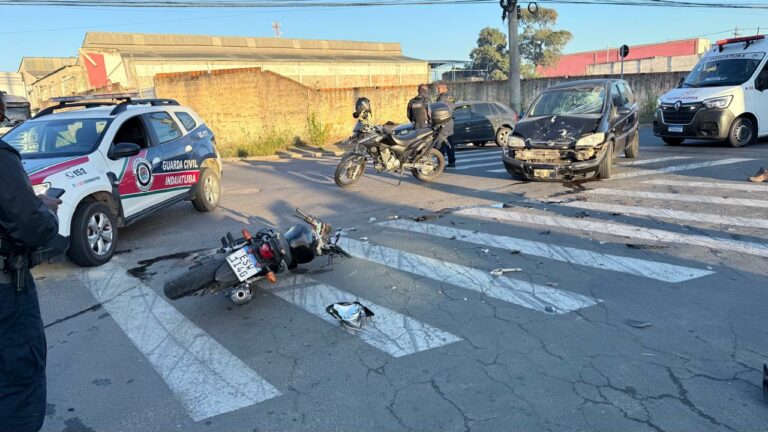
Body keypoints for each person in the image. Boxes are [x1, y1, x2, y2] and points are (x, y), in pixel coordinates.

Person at [0, 91, 62, 432]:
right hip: (6, 296)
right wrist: (44, 209)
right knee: (18, 383)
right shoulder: (2, 158)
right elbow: (33, 229)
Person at [436, 83, 456, 168]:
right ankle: (452, 161)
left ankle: (441, 164)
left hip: (443, 123)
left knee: (441, 144)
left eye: (439, 89)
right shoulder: (451, 97)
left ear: (444, 89)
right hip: (450, 123)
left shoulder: (441, 97)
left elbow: (437, 109)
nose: (438, 90)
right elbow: (452, 108)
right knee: (450, 143)